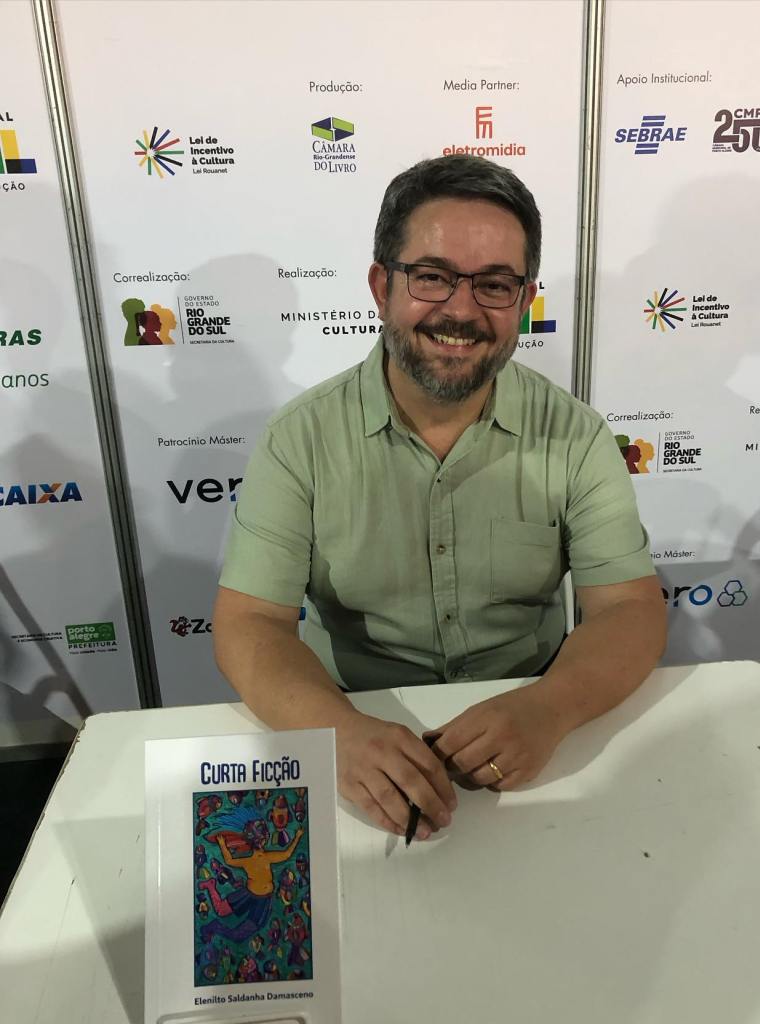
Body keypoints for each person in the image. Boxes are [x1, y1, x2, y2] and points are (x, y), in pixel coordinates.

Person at [214, 155, 666, 842]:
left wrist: (549, 708)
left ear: (524, 300)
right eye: (431, 277)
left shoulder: (575, 434)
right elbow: (250, 622)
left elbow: (630, 608)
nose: (460, 309)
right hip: (353, 722)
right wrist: (338, 733)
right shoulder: (299, 439)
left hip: (532, 728)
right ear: (381, 286)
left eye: (494, 285)